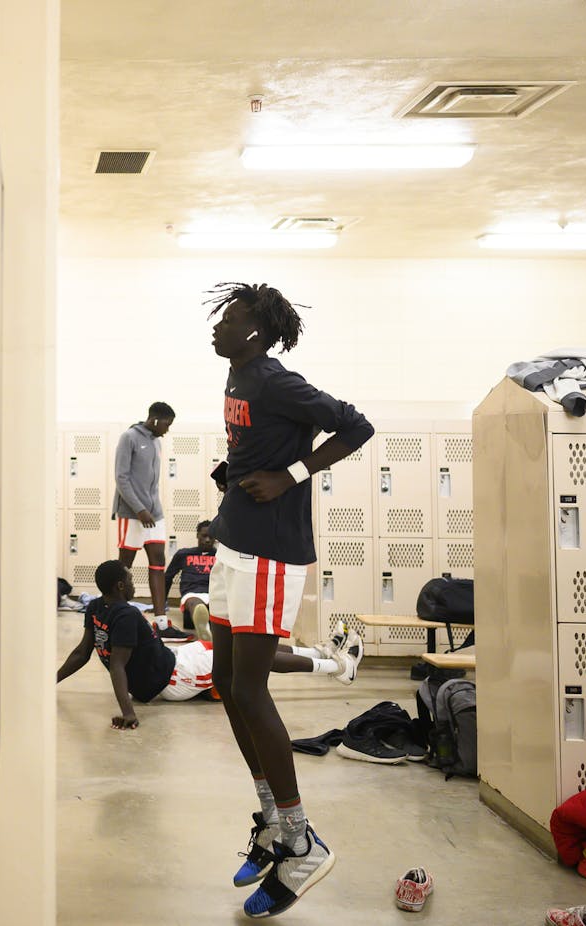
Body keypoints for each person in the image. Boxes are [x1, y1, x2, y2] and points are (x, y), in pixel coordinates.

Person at [203, 281, 374, 919]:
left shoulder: (276, 380)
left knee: (251, 690)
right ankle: (274, 820)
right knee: (225, 680)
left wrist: (291, 474)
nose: (216, 328)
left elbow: (357, 426)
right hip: (232, 544)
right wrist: (237, 468)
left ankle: (301, 840)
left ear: (256, 332)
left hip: (270, 555)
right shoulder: (239, 378)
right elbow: (260, 439)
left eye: (229, 319)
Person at [54, 561, 360, 730]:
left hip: (175, 660)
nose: (134, 584)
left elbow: (83, 653)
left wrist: (49, 682)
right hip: (175, 678)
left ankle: (320, 652)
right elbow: (117, 666)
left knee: (247, 645)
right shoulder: (126, 614)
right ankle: (337, 668)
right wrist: (128, 712)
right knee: (250, 658)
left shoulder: (96, 608)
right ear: (121, 586)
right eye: (130, 580)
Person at [112, 401, 186, 640]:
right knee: (125, 567)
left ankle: (161, 623)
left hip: (155, 514)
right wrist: (140, 509)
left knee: (158, 562)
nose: (167, 429)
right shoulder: (129, 437)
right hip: (132, 514)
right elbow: (121, 478)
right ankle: (118, 617)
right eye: (167, 424)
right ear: (155, 420)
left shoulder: (157, 441)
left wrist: (151, 510)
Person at [163, 520, 217, 639]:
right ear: (197, 535)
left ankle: (207, 628)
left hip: (214, 593)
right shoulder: (184, 554)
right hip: (192, 593)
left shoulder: (220, 555)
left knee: (217, 603)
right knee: (195, 604)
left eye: (211, 537)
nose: (207, 540)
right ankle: (203, 628)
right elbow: (168, 577)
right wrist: (162, 603)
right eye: (204, 536)